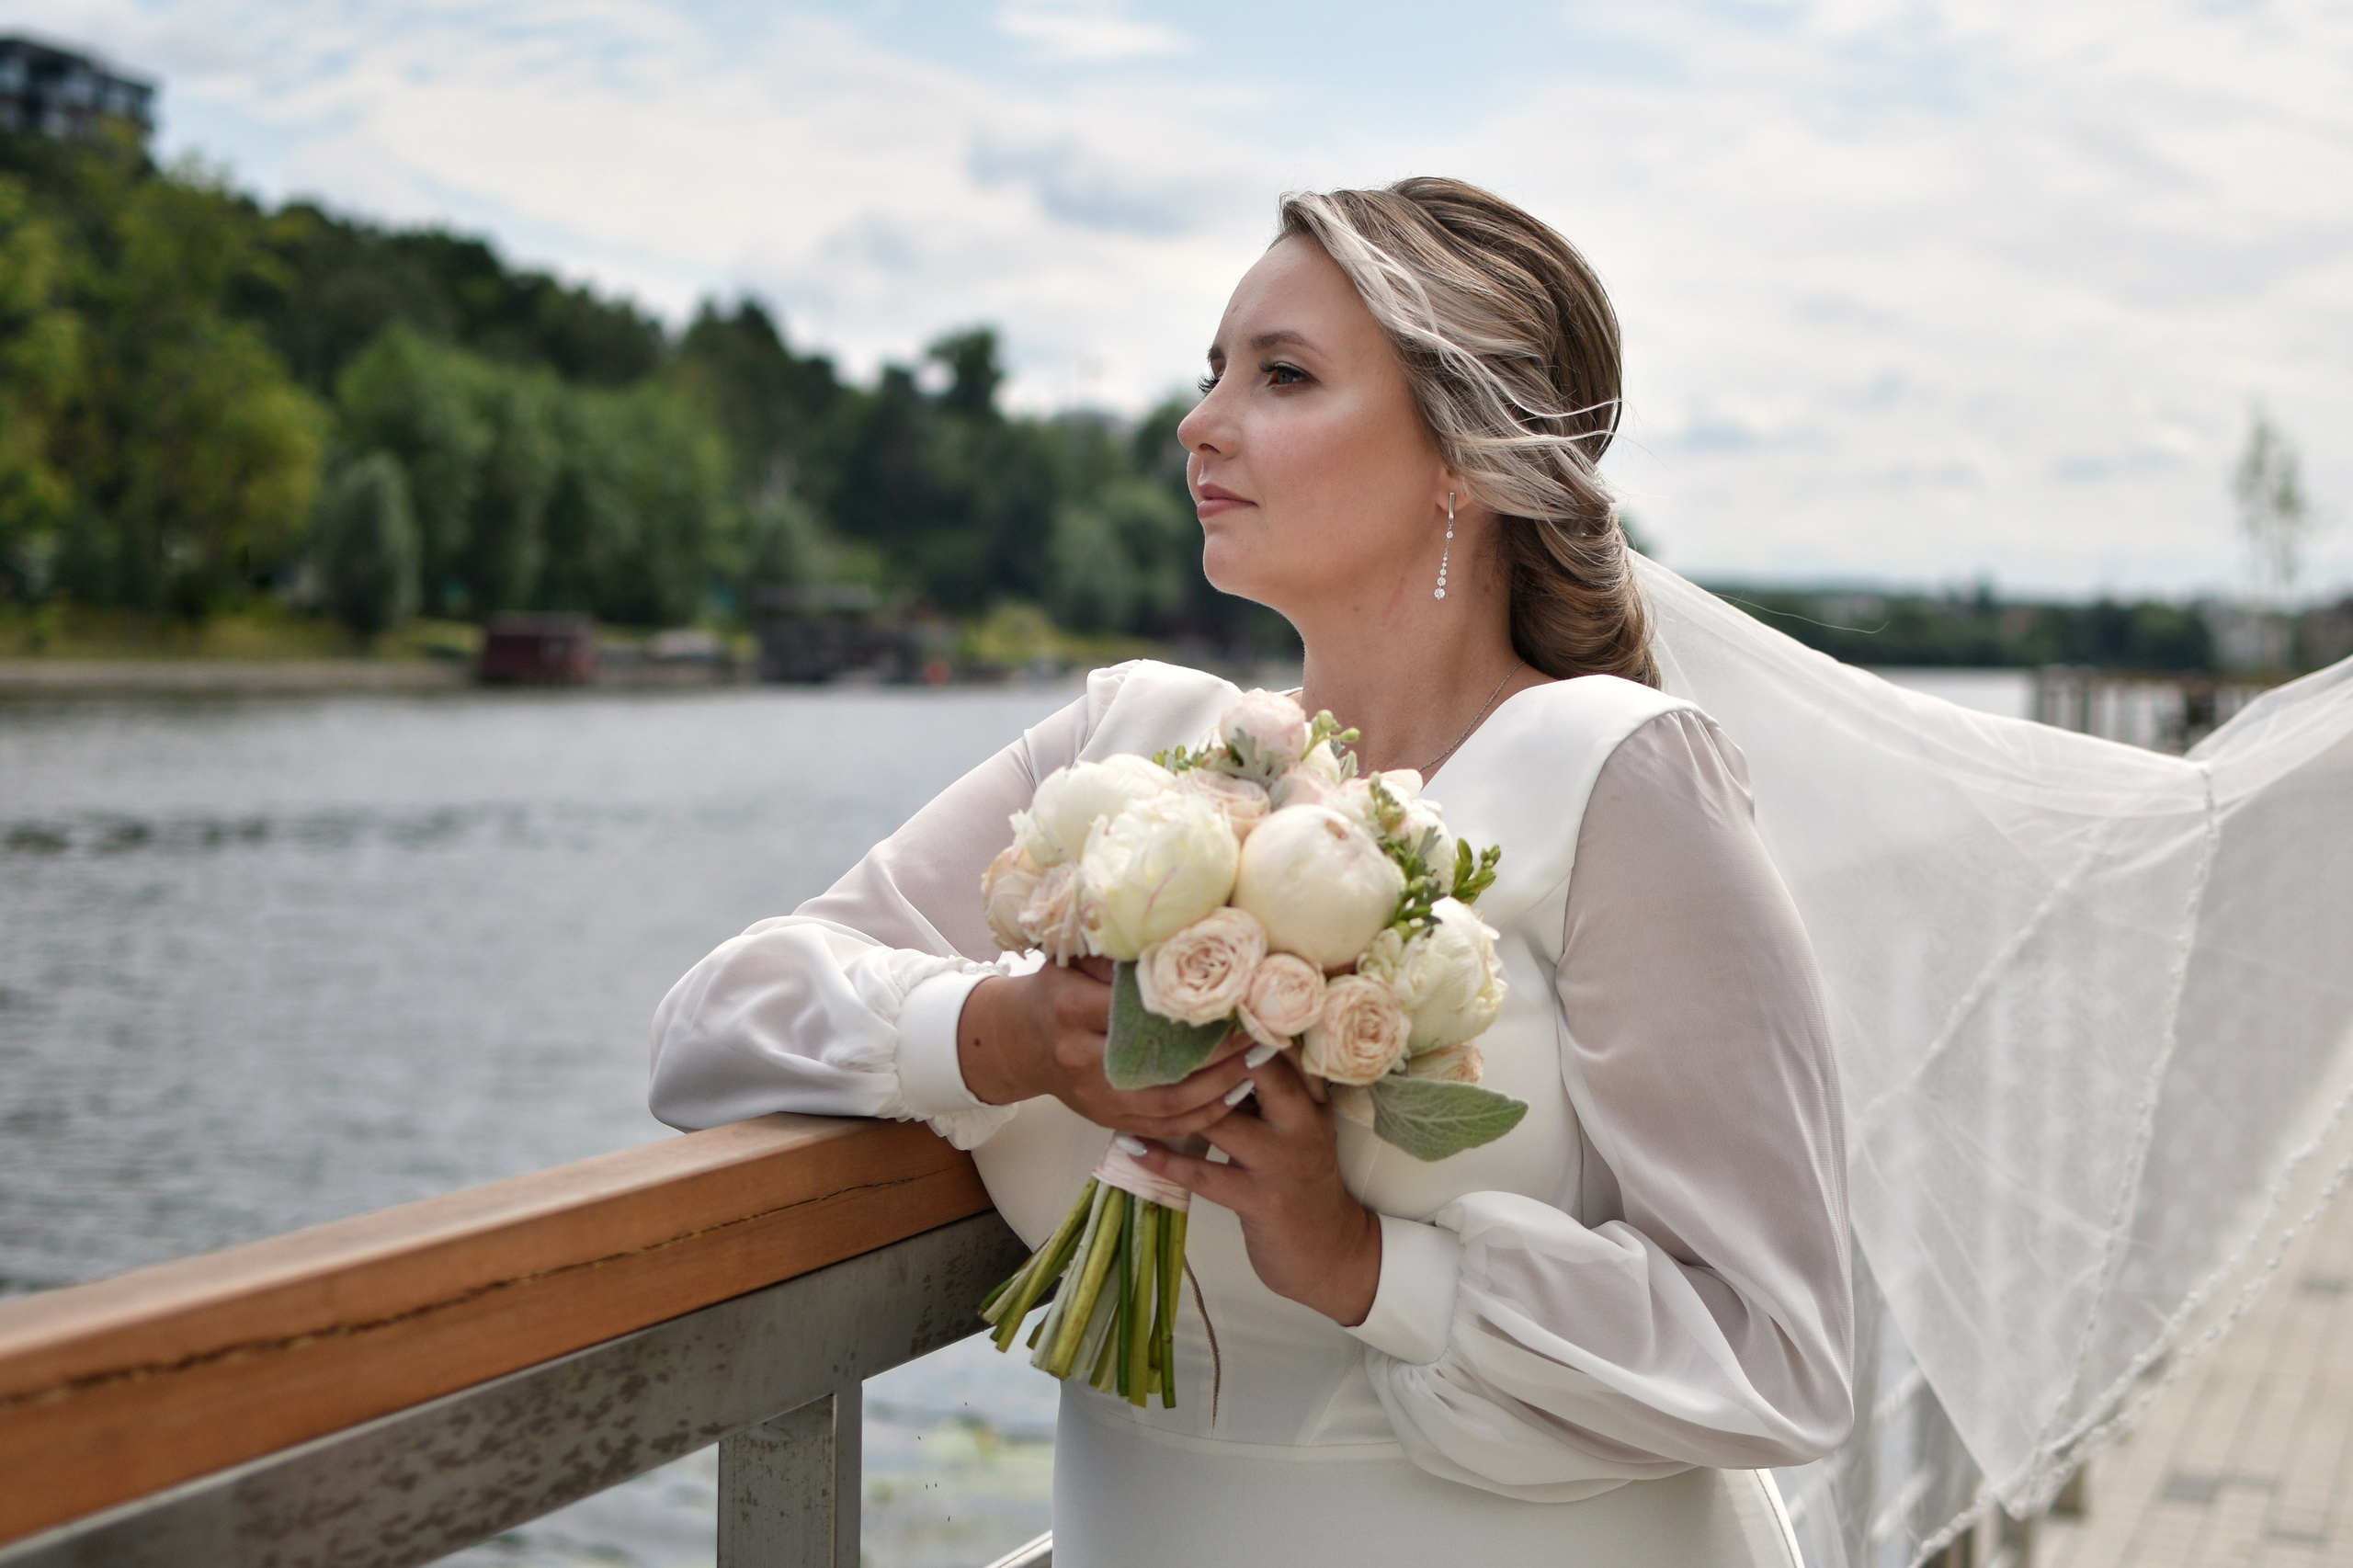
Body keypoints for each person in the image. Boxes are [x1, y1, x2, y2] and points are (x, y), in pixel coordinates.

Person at [650, 177, 1854, 1566]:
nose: (1200, 421)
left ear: (1465, 453)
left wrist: (1366, 1265)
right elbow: (706, 1032)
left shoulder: (1619, 773)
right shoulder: (1128, 747)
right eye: (1211, 370)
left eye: (1282, 375)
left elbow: (1776, 1346)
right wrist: (1007, 1034)